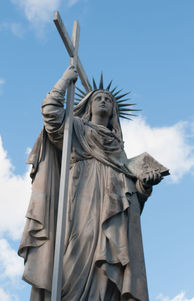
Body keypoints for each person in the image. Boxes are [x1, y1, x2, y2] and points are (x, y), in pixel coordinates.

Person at [18, 65, 162, 301]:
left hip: (111, 216)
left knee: (106, 270)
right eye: (99, 97)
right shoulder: (76, 128)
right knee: (72, 258)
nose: (104, 100)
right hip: (79, 203)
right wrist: (65, 80)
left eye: (108, 99)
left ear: (114, 111)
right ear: (88, 104)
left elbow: (131, 198)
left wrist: (144, 187)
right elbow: (51, 114)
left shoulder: (118, 150)